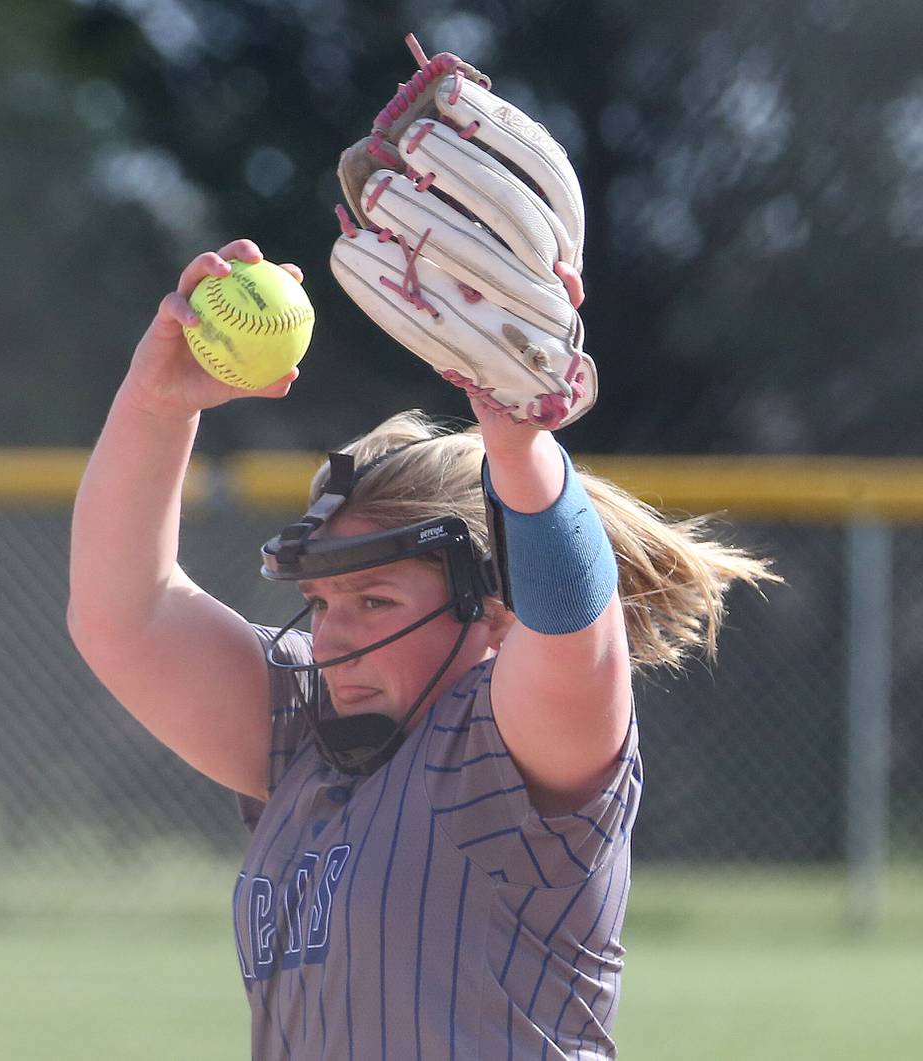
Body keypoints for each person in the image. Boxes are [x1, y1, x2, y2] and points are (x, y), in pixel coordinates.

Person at [67, 238, 774, 1059]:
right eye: (322, 601)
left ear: (496, 613)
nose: (333, 636)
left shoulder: (515, 750)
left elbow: (573, 625)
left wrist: (521, 451)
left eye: (374, 600)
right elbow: (126, 613)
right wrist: (157, 406)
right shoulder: (310, 740)